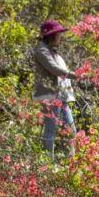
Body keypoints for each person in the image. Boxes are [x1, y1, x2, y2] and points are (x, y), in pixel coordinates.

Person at [32, 19, 77, 159]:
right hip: (50, 96)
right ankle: (47, 164)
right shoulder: (41, 50)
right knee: (50, 130)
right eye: (58, 34)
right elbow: (54, 69)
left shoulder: (53, 52)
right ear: (52, 35)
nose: (60, 37)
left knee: (70, 130)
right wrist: (77, 75)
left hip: (60, 97)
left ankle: (70, 162)